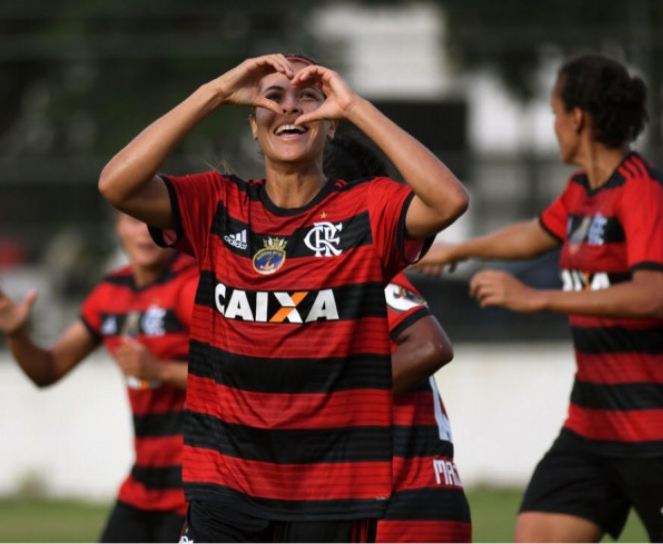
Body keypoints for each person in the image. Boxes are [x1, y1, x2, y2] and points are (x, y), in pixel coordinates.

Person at [98, 53, 469, 542]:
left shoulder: (365, 208)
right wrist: (215, 91)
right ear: (253, 125)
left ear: (330, 124)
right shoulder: (218, 203)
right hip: (225, 484)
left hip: (331, 491)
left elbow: (450, 200)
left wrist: (355, 105)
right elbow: (116, 184)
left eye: (309, 98)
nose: (290, 108)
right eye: (272, 98)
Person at [415, 53, 663, 543]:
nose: (554, 124)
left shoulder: (641, 190)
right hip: (592, 428)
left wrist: (539, 299)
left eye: (555, 112)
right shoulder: (583, 190)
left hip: (660, 431)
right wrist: (460, 250)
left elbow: (652, 294)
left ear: (577, 117)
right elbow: (533, 234)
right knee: (536, 535)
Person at [0, 212, 199, 543]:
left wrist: (161, 370)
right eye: (133, 220)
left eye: (154, 221)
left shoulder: (192, 284)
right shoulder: (110, 293)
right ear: (117, 228)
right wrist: (18, 335)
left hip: (196, 487)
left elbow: (239, 377)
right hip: (143, 488)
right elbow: (47, 370)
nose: (144, 231)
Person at [324, 136, 472, 543]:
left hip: (402, 501)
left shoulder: (363, 267)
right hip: (403, 498)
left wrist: (329, 392)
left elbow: (430, 346)